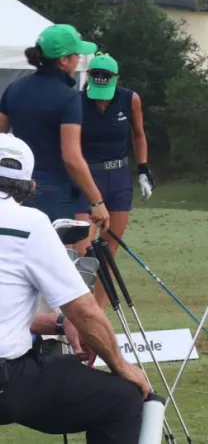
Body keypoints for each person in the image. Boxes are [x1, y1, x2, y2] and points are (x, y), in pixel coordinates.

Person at [0, 132, 150, 441]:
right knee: (123, 400)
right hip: (7, 381)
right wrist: (121, 366)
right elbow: (84, 310)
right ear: (29, 187)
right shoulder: (29, 222)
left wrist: (57, 322)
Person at [0, 24, 110, 231]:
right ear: (64, 60)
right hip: (53, 194)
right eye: (76, 54)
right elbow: (72, 158)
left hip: (13, 191)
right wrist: (97, 202)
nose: (79, 59)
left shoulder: (15, 88)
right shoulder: (69, 98)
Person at [72, 53, 156, 301]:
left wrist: (143, 169)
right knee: (83, 252)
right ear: (88, 77)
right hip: (87, 178)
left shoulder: (130, 99)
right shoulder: (76, 102)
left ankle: (99, 315)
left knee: (108, 252)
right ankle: (79, 317)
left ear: (116, 79)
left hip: (118, 178)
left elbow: (138, 135)